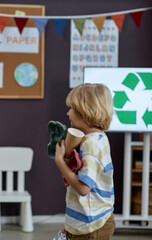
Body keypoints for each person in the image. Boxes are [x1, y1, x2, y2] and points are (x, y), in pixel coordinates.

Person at [54, 83, 115, 239]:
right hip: (85, 223)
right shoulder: (94, 139)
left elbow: (83, 189)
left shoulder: (92, 144)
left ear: (85, 111)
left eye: (72, 109)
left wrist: (60, 162)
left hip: (91, 226)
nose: (68, 113)